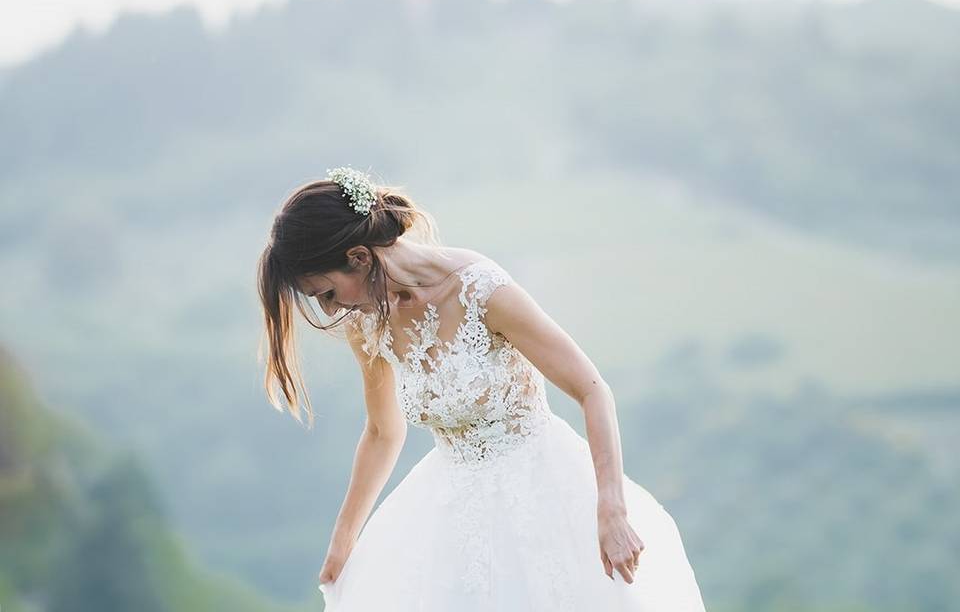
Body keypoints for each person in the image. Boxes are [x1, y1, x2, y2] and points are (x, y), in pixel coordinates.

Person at [256, 166, 707, 610]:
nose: (332, 309)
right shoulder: (367, 322)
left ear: (358, 257)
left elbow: (592, 390)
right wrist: (343, 541)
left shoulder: (479, 289)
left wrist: (611, 508)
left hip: (541, 495)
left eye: (327, 292)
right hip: (448, 513)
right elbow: (381, 432)